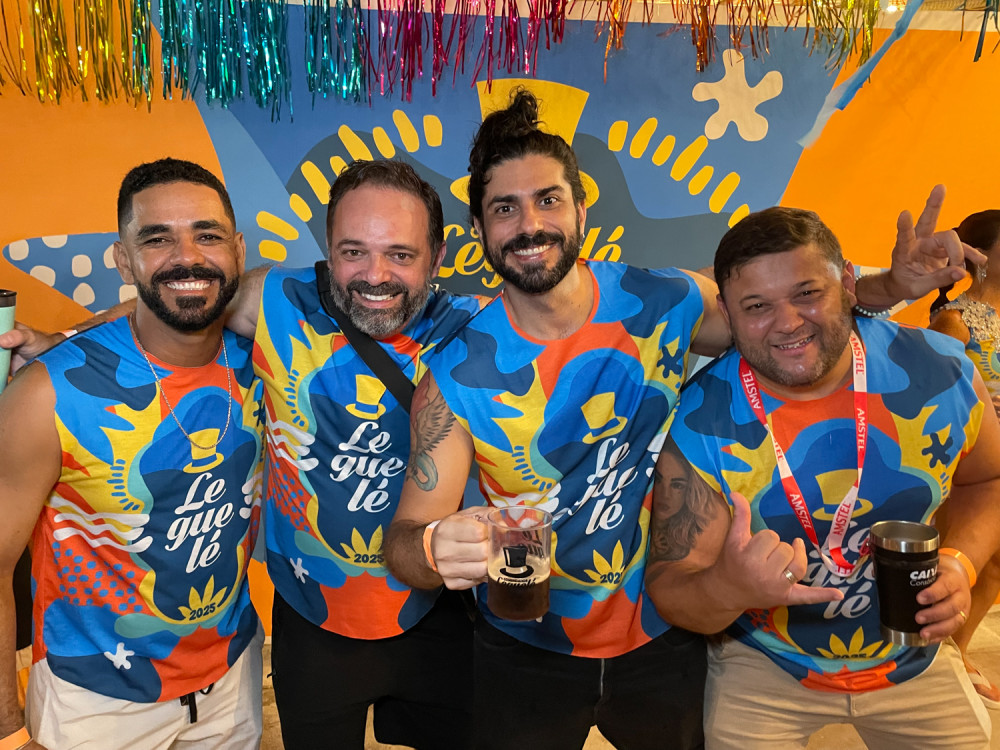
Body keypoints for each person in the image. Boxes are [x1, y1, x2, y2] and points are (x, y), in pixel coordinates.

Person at [382, 88, 984, 750]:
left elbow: (777, 317)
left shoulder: (664, 302)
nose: (530, 224)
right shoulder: (455, 377)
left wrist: (891, 288)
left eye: (548, 199)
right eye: (505, 208)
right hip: (525, 644)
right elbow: (405, 540)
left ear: (581, 210)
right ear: (479, 230)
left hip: (663, 640)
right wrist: (435, 549)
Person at [2, 159, 485, 749]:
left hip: (251, 669)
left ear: (437, 256)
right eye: (353, 251)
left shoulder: (476, 331)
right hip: (128, 685)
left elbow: (188, 292)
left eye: (401, 254)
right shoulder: (281, 308)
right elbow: (175, 297)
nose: (375, 274)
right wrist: (65, 345)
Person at [646, 205, 1000, 749]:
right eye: (757, 306)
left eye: (808, 293)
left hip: (916, 652)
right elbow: (671, 586)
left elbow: (988, 480)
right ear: (727, 315)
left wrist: (960, 562)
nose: (788, 322)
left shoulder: (941, 371)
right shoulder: (701, 419)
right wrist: (728, 587)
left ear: (849, 285)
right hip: (763, 660)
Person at [0, 158, 265, 750]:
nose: (188, 256)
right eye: (157, 239)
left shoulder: (264, 356)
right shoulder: (49, 393)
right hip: (94, 702)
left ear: (238, 250)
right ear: (123, 260)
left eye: (208, 235)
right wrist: (8, 733)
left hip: (232, 678)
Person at [929, 208, 1000, 708]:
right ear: (984, 257)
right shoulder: (954, 321)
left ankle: (958, 649)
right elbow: (934, 400)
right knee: (968, 558)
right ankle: (947, 656)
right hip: (972, 463)